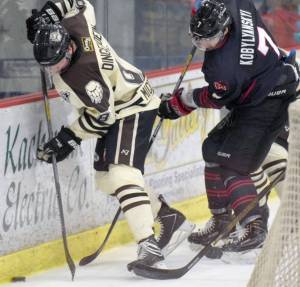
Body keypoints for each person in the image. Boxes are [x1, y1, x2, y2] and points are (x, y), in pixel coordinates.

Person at [26, 0, 194, 271]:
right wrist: (48, 15)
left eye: (55, 64)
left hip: (132, 105)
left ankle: (147, 242)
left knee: (121, 174)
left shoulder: (84, 76)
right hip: (120, 101)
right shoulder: (76, 27)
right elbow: (80, 4)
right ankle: (169, 217)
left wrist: (69, 137)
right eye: (46, 66)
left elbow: (103, 118)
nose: (51, 70)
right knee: (106, 181)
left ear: (68, 50)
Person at [158, 0, 299, 257]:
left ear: (224, 31)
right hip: (268, 80)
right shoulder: (236, 6)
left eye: (207, 40)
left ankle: (254, 227)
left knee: (234, 164)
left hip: (268, 100)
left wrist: (179, 103)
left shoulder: (226, 68)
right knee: (212, 149)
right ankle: (221, 220)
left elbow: (215, 98)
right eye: (197, 38)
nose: (202, 45)